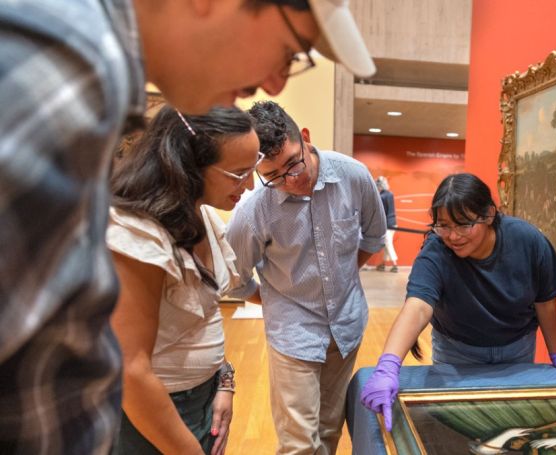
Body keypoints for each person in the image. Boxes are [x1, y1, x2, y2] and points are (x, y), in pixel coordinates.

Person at [0, 0, 374, 452]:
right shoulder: (58, 65)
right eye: (289, 51)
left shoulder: (98, 77)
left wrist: (224, 379)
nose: (275, 82)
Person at [360, 173, 556, 431]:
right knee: (460, 426)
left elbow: (545, 302)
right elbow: (418, 306)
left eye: (464, 225)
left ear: (489, 215)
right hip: (457, 352)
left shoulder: (526, 240)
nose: (453, 236)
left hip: (517, 349)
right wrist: (388, 365)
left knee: (513, 421)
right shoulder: (436, 250)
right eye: (443, 225)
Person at [226, 100, 386, 454]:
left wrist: (343, 277)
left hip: (346, 325)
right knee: (299, 444)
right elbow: (236, 280)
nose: (290, 180)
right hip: (294, 335)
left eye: (293, 163)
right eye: (273, 176)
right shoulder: (253, 212)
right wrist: (278, 301)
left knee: (329, 432)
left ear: (306, 138)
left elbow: (373, 237)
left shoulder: (353, 176)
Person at [107, 105, 260, 454]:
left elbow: (203, 320)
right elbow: (131, 371)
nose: (250, 185)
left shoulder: (202, 215)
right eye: (239, 174)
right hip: (149, 417)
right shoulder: (137, 234)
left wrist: (224, 381)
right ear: (189, 165)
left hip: (202, 399)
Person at [375, 175, 399, 272]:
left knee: (387, 243)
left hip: (387, 224)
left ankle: (395, 265)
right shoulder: (390, 194)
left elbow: (382, 212)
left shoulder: (381, 196)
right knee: (386, 243)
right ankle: (383, 264)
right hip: (393, 223)